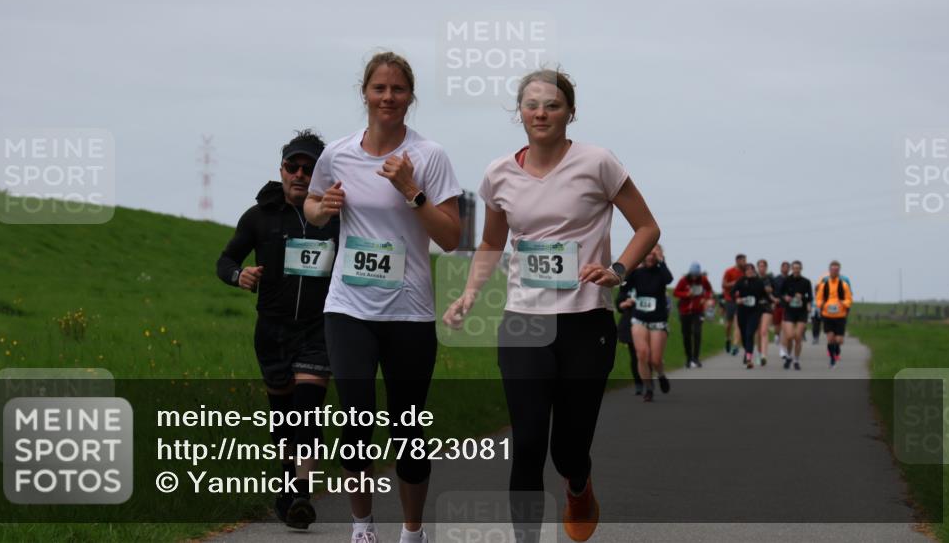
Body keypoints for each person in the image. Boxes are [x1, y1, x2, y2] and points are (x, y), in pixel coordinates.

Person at [444, 68, 660, 543]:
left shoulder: (598, 163)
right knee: (526, 443)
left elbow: (647, 227)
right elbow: (491, 243)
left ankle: (578, 486)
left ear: (570, 112)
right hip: (524, 321)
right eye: (532, 105)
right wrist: (469, 293)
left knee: (568, 449)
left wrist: (617, 270)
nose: (541, 113)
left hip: (587, 322)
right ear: (519, 112)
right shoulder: (499, 173)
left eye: (553, 105)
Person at [305, 52, 462, 543]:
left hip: (409, 311)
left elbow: (453, 236)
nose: (388, 98)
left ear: (411, 97)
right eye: (379, 89)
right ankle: (362, 525)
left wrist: (411, 190)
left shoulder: (430, 156)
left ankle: (412, 530)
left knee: (407, 430)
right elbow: (311, 206)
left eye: (397, 90)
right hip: (348, 307)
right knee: (355, 418)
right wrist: (322, 208)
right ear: (365, 94)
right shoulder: (338, 153)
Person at [216, 131, 339, 529]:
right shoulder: (259, 216)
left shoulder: (337, 216)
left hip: (318, 328)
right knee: (284, 419)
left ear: (320, 172)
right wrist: (239, 275)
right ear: (282, 169)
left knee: (307, 410)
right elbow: (226, 258)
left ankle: (302, 490)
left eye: (309, 168)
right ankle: (287, 489)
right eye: (293, 166)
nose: (300, 174)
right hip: (271, 330)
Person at [619, 245, 674, 401]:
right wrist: (623, 301)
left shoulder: (661, 272)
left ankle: (661, 374)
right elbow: (624, 287)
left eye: (653, 253)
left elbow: (669, 279)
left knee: (655, 360)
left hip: (658, 320)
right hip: (639, 318)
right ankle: (648, 388)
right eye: (647, 253)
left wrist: (662, 261)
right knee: (642, 354)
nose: (650, 256)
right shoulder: (637, 273)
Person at [672, 262, 713, 368]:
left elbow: (709, 290)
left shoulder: (703, 280)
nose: (694, 277)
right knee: (686, 335)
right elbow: (675, 292)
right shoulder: (683, 280)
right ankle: (689, 358)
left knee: (697, 333)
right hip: (685, 311)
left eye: (696, 275)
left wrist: (705, 298)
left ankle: (696, 358)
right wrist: (686, 294)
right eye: (693, 274)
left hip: (698, 310)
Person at [816, 261, 853, 369]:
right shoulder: (824, 285)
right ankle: (832, 359)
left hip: (840, 315)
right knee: (830, 338)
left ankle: (837, 349)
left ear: (839, 271)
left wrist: (844, 303)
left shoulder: (844, 285)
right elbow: (818, 299)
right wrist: (821, 304)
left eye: (836, 270)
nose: (834, 272)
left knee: (839, 340)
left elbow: (849, 299)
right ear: (829, 271)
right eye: (832, 270)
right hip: (827, 315)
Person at [732, 263, 770, 369]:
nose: (749, 271)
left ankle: (749, 359)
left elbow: (765, 296)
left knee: (749, 333)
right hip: (742, 312)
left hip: (755, 312)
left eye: (751, 269)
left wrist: (773, 301)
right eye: (747, 270)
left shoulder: (759, 282)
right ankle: (747, 352)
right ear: (744, 271)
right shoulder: (740, 281)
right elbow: (732, 293)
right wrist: (737, 299)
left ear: (754, 271)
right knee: (744, 335)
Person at [616, 265, 646, 394]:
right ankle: (639, 384)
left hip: (646, 322)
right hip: (629, 323)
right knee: (635, 356)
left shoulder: (649, 281)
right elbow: (619, 301)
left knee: (645, 355)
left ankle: (647, 381)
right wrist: (624, 304)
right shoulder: (626, 283)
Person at [780, 260, 812, 370]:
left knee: (798, 337)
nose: (796, 270)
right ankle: (788, 356)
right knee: (789, 336)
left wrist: (803, 298)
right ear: (792, 269)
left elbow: (810, 297)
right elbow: (780, 293)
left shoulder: (806, 282)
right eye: (794, 268)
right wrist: (785, 297)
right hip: (789, 311)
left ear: (801, 269)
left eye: (798, 268)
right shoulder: (787, 280)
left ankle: (796, 360)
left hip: (801, 312)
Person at [721, 254, 746, 355]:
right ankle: (727, 338)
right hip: (729, 299)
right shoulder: (729, 271)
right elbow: (723, 284)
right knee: (728, 325)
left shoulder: (746, 272)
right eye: (742, 260)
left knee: (738, 324)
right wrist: (734, 283)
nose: (744, 262)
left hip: (740, 301)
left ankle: (735, 345)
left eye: (745, 260)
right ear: (737, 261)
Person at [755, 259, 778, 366]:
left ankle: (764, 355)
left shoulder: (770, 279)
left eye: (763, 266)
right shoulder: (754, 279)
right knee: (758, 332)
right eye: (760, 266)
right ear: (757, 268)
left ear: (766, 268)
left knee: (764, 331)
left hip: (767, 306)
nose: (762, 268)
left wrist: (774, 299)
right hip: (755, 307)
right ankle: (759, 353)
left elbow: (775, 292)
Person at [772, 261, 790, 354]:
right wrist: (774, 299)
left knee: (785, 326)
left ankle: (783, 348)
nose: (786, 269)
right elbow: (772, 291)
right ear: (781, 268)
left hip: (788, 306)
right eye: (784, 267)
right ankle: (776, 335)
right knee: (777, 324)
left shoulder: (791, 279)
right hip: (778, 304)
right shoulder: (776, 279)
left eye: (787, 267)